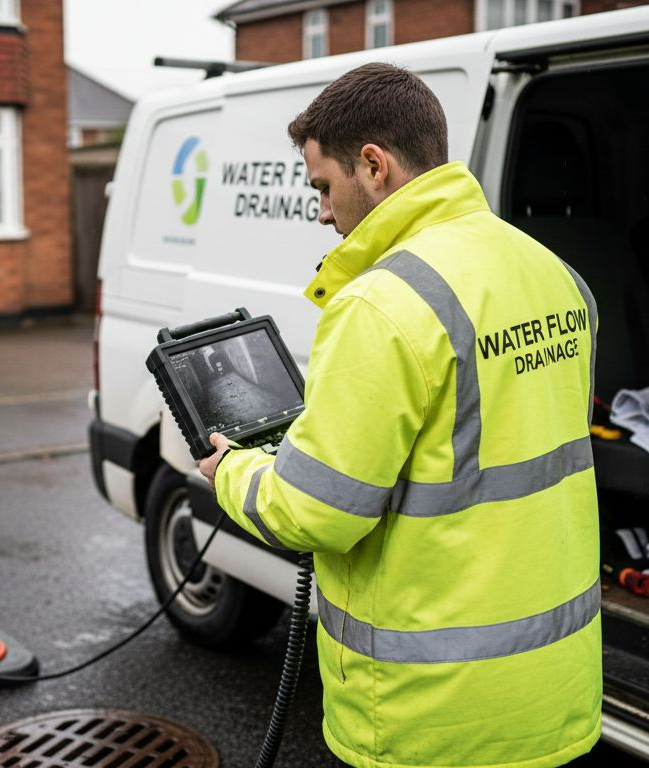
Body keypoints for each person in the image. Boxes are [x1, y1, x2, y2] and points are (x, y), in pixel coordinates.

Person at [198, 62, 602, 768]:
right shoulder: (555, 274)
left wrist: (234, 471)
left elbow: (313, 513)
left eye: (323, 187)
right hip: (555, 691)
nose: (322, 211)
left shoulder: (381, 303)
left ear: (374, 166)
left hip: (432, 717)